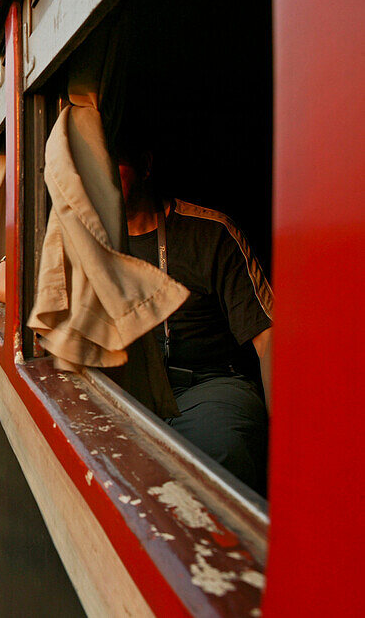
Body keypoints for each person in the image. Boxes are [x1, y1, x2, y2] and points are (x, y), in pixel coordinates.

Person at [119, 149, 272, 493]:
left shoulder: (209, 232)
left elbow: (268, 339)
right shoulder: (82, 233)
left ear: (145, 165)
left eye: (116, 160)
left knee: (220, 455)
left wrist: (289, 443)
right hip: (127, 386)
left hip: (207, 384)